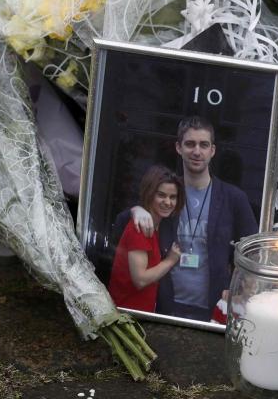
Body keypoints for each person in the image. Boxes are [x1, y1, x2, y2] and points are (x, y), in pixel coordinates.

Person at [122, 116, 258, 321]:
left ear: (212, 151)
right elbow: (122, 226)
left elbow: (254, 251)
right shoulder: (166, 191)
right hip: (164, 306)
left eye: (204, 145)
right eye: (190, 144)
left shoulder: (233, 198)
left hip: (214, 310)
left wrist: (240, 290)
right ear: (178, 147)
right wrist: (136, 210)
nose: (197, 151)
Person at [107, 165, 184, 313]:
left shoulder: (159, 225)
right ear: (149, 194)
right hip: (127, 317)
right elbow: (140, 280)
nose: (168, 202)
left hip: (141, 315)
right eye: (161, 195)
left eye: (173, 197)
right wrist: (170, 260)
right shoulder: (140, 227)